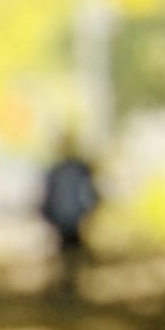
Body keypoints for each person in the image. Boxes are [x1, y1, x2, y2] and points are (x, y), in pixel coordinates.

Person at [39, 131, 103, 309]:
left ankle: (68, 286)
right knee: (69, 254)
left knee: (69, 254)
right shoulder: (71, 169)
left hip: (68, 218)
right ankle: (68, 286)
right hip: (70, 218)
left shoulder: (65, 170)